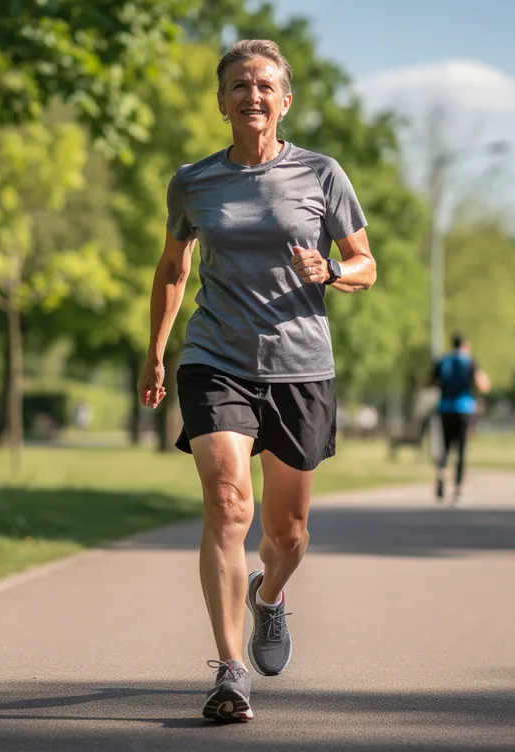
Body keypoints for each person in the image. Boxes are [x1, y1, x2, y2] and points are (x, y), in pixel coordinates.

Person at [137, 39, 376, 723]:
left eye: (266, 86)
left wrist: (331, 271)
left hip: (301, 367)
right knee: (227, 499)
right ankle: (229, 670)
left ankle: (267, 598)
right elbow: (174, 269)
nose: (252, 96)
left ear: (286, 100)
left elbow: (366, 264)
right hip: (216, 358)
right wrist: (157, 350)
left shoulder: (322, 174)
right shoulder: (194, 182)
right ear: (221, 101)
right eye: (239, 86)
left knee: (289, 533)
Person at [430, 334, 491, 506]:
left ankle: (442, 473)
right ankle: (458, 491)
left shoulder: (442, 361)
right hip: (464, 409)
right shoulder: (469, 362)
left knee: (446, 448)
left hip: (444, 409)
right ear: (465, 345)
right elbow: (483, 385)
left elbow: (432, 384)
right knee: (462, 450)